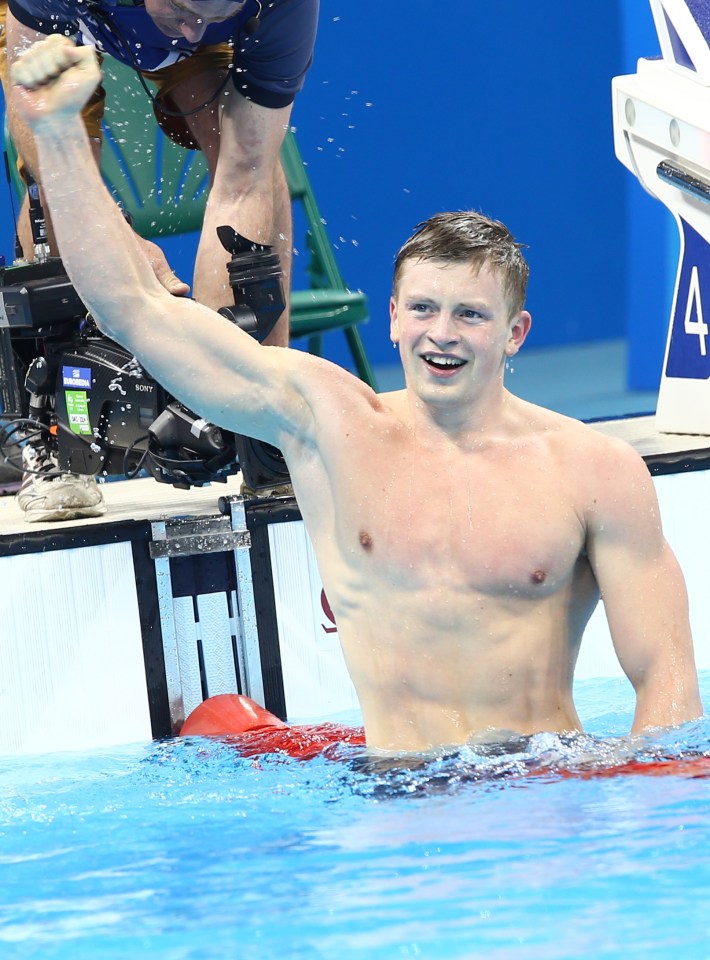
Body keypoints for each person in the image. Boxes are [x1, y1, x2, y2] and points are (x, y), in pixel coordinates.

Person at [10, 36, 704, 754]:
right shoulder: (325, 425)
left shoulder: (596, 472)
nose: (444, 335)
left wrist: (640, 803)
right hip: (394, 803)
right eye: (425, 309)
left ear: (515, 332)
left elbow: (667, 681)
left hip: (542, 795)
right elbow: (135, 308)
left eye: (471, 315)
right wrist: (59, 134)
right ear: (395, 316)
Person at [1, 0, 318, 521]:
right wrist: (116, 241)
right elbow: (36, 114)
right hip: (69, 22)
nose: (195, 28)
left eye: (215, 14)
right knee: (57, 135)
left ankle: (260, 430)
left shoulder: (282, 5)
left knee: (243, 148)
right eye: (184, 8)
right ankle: (56, 441)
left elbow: (247, 170)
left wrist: (218, 386)